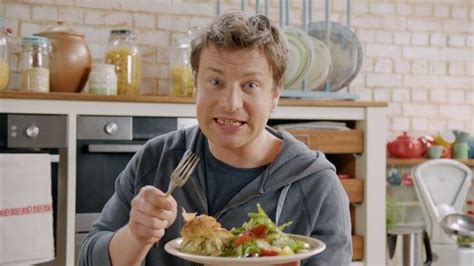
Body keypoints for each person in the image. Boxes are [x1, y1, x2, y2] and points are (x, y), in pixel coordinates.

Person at [79, 10, 352, 266]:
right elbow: (88, 258)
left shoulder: (318, 186)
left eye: (250, 85)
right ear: (196, 86)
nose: (231, 103)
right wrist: (135, 236)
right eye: (215, 82)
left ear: (275, 96)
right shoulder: (157, 159)